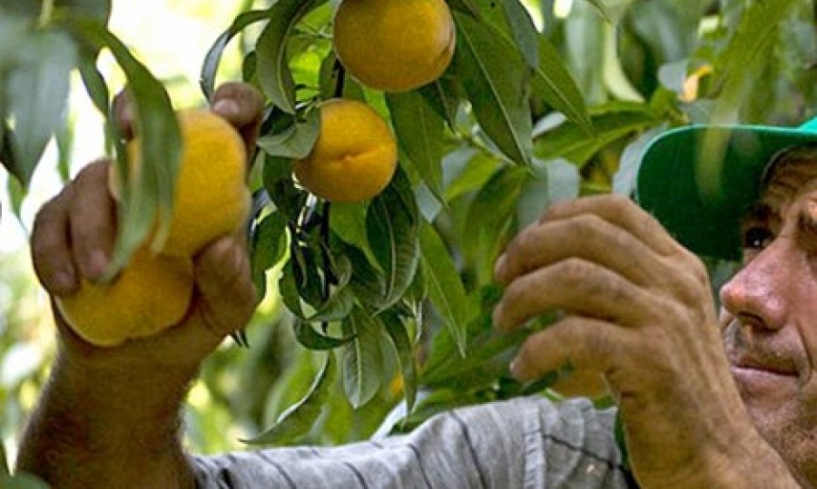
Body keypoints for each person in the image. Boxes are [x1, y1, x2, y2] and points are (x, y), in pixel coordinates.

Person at [12, 81, 815, 488]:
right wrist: (125, 368)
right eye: (755, 235)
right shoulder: (545, 465)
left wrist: (728, 472)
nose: (743, 290)